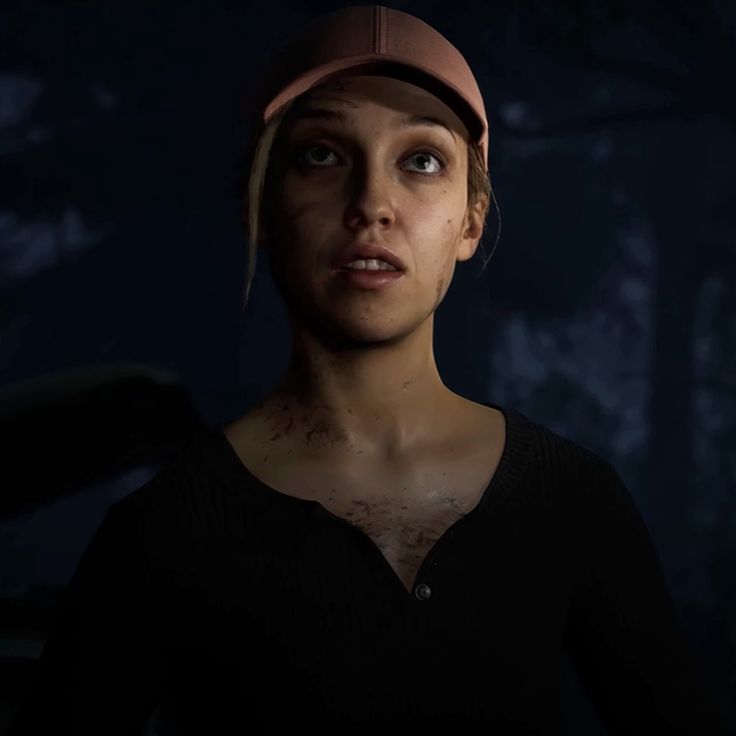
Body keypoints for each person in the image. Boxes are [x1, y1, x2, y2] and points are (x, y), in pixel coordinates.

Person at [5, 5, 728, 734]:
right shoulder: (164, 529)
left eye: (421, 160)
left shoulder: (570, 498)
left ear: (471, 219)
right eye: (322, 154)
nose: (371, 205)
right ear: (262, 204)